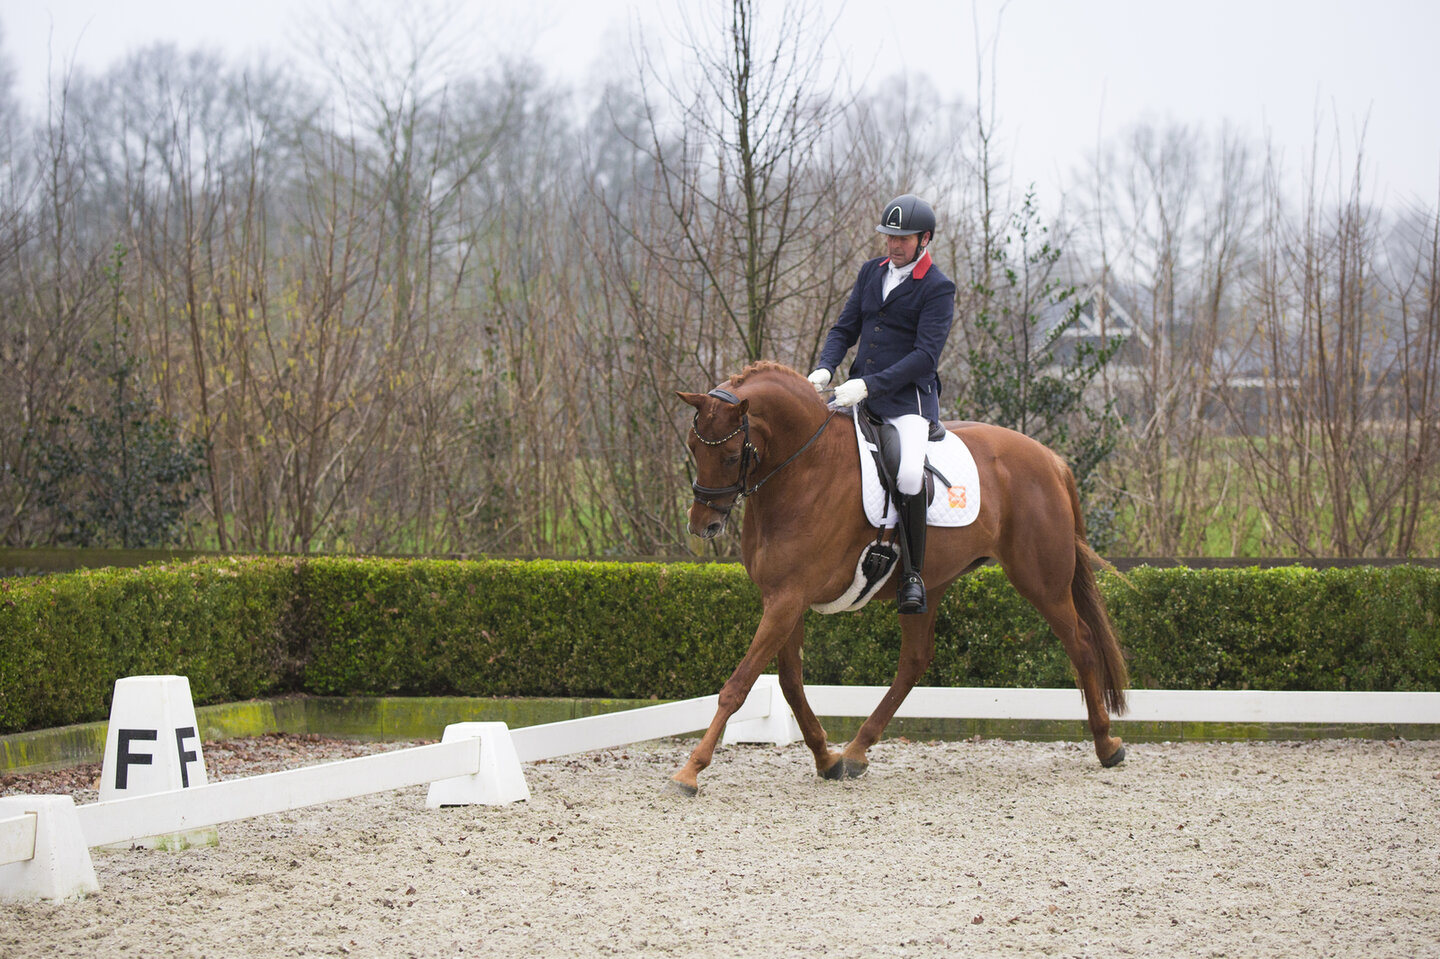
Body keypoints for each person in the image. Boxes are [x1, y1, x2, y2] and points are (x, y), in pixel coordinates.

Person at [808, 193, 956, 614]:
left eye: (903, 238)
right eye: (889, 236)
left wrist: (868, 385)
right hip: (857, 394)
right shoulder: (871, 273)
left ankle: (912, 575)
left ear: (923, 239)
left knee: (909, 476)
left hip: (907, 404)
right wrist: (825, 366)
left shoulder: (937, 287)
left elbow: (925, 357)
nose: (893, 245)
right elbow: (845, 327)